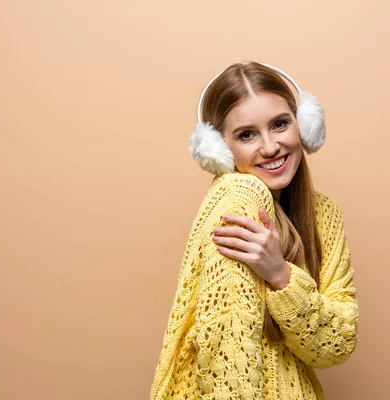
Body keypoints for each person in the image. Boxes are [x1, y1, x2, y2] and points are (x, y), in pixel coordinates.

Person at [149, 61, 359, 400]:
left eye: (279, 124)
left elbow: (337, 344)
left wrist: (280, 275)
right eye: (247, 134)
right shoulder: (238, 196)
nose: (270, 147)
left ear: (303, 126)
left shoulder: (324, 214)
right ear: (219, 150)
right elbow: (226, 358)